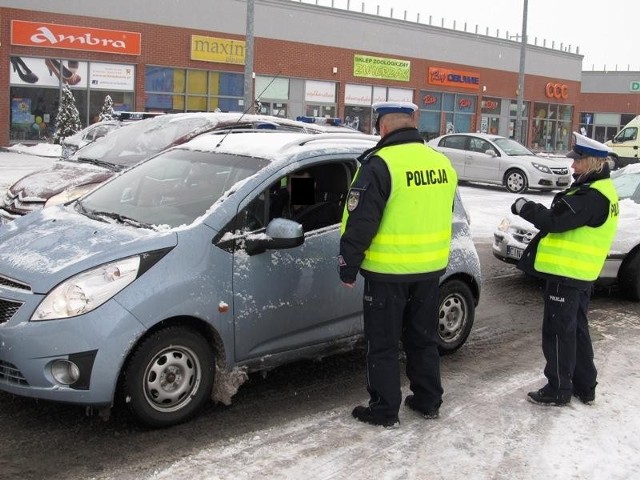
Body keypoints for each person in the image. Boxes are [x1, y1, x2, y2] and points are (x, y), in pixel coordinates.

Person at [338, 101, 458, 427]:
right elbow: (442, 210)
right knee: (423, 339)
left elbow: (362, 222)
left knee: (384, 345)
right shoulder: (441, 163)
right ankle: (428, 400)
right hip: (430, 270)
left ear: (383, 127)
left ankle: (384, 410)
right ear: (412, 121)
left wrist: (348, 264)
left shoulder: (380, 165)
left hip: (388, 273)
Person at [511, 132, 619, 406]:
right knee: (576, 330)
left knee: (558, 332)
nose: (572, 166)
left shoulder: (591, 196)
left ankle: (558, 389)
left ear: (593, 162)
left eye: (578, 162)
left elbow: (553, 221)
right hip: (579, 274)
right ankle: (585, 385)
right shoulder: (599, 191)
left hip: (567, 274)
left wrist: (525, 206)